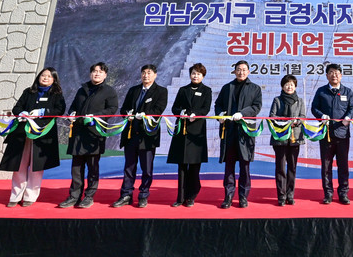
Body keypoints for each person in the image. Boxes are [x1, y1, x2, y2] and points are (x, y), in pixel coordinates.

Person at [0, 67, 66, 207]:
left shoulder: (57, 94)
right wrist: (22, 113)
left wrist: (43, 112)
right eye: (43, 75)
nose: (45, 78)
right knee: (19, 165)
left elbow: (59, 110)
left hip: (42, 134)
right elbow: (17, 108)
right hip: (22, 133)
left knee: (36, 166)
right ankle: (15, 196)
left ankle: (30, 196)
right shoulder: (29, 92)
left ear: (54, 80)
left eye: (49, 76)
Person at [58, 62, 119, 209]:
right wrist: (71, 114)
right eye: (94, 71)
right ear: (90, 73)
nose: (97, 74)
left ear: (105, 75)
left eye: (100, 71)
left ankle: (89, 196)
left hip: (94, 134)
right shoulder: (82, 89)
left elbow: (112, 109)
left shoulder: (109, 91)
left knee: (92, 167)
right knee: (76, 167)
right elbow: (73, 106)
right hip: (78, 133)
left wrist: (96, 116)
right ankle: (74, 196)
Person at [111, 64, 168, 209]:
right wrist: (128, 114)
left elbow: (158, 109)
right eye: (143, 73)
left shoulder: (161, 91)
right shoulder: (133, 90)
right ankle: (126, 195)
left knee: (146, 168)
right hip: (131, 134)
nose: (145, 76)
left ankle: (143, 195)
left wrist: (144, 115)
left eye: (149, 73)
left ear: (155, 75)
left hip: (147, 136)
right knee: (129, 167)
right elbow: (124, 108)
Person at [214, 60, 262, 208]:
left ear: (248, 72)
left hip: (245, 132)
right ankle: (228, 196)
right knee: (229, 166)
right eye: (238, 69)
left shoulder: (255, 88)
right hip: (229, 131)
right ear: (234, 71)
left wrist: (242, 113)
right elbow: (218, 104)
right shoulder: (227, 87)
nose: (241, 72)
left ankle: (243, 197)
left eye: (244, 70)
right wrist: (220, 115)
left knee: (244, 166)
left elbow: (256, 107)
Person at [167, 63, 212, 207]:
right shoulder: (183, 90)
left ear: (203, 76)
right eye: (193, 73)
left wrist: (196, 114)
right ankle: (180, 198)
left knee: (194, 166)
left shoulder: (206, 90)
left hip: (196, 132)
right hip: (182, 131)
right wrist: (180, 112)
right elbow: (174, 107)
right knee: (181, 167)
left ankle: (192, 195)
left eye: (198, 74)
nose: (195, 76)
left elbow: (205, 109)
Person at [311, 63, 353, 205]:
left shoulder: (347, 91)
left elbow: (352, 107)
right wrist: (321, 115)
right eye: (331, 72)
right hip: (326, 134)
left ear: (341, 75)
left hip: (342, 134)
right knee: (326, 166)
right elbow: (314, 108)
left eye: (337, 73)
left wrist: (348, 117)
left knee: (343, 166)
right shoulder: (321, 91)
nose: (334, 75)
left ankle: (343, 193)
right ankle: (328, 193)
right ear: (327, 75)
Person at [269, 74, 306, 206]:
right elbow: (272, 116)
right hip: (280, 137)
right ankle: (281, 195)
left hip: (295, 137)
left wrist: (297, 121)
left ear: (295, 86)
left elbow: (303, 116)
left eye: (292, 84)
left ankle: (290, 195)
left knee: (292, 167)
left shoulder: (300, 101)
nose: (289, 87)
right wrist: (285, 122)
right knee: (280, 167)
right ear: (282, 86)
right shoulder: (277, 100)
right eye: (287, 84)